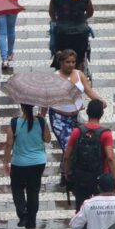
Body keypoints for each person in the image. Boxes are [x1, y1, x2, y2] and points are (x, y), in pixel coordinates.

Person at [64, 99, 115, 229]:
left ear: (87, 113)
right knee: (100, 210)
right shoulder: (105, 134)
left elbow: (67, 155)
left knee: (81, 210)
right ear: (101, 114)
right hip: (99, 179)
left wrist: (67, 172)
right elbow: (110, 157)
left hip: (80, 178)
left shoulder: (77, 131)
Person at [41, 49, 103, 189]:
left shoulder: (80, 74)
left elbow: (88, 90)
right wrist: (41, 118)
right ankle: (69, 174)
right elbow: (46, 99)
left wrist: (100, 100)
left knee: (78, 144)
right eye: (67, 62)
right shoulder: (54, 78)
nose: (70, 65)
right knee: (68, 145)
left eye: (73, 62)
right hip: (58, 117)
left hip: (76, 116)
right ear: (61, 62)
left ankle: (65, 172)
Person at [3, 104, 51, 229]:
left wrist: (5, 162)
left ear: (21, 106)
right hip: (38, 162)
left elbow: (9, 144)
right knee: (33, 190)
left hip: (19, 163)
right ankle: (32, 220)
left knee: (17, 188)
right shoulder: (40, 121)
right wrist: (44, 123)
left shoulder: (14, 123)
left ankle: (22, 214)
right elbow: (47, 139)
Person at [49, 0, 93, 70]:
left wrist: (57, 21)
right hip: (81, 32)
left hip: (62, 33)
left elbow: (52, 14)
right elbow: (90, 12)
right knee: (79, 59)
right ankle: (79, 80)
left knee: (62, 56)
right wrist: (82, 18)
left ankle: (62, 76)